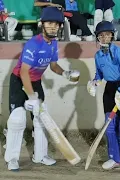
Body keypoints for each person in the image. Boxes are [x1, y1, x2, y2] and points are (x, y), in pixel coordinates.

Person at [4, 7, 80, 171]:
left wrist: (65, 73)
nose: (53, 26)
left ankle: (40, 155)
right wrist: (32, 97)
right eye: (49, 23)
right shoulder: (34, 43)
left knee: (41, 118)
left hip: (36, 81)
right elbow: (24, 72)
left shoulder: (53, 43)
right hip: (19, 81)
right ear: (42, 24)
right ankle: (12, 159)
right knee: (17, 119)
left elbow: (53, 66)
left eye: (57, 24)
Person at [86, 21, 120, 177]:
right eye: (101, 35)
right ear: (97, 38)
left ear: (112, 35)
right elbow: (100, 74)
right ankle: (115, 158)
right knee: (110, 126)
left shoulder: (118, 51)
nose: (104, 38)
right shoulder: (98, 55)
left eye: (107, 35)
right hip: (110, 90)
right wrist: (94, 82)